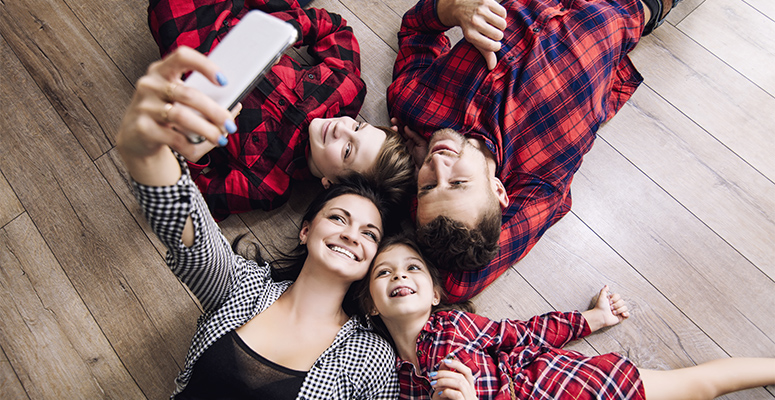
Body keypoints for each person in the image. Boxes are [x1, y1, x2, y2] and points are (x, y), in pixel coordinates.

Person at [116, 48, 400, 398]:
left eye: (369, 233)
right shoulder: (242, 285)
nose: (350, 234)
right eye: (338, 217)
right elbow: (189, 234)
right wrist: (148, 150)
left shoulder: (370, 357)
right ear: (306, 229)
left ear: (374, 259)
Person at [387, 0, 682, 302]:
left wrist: (452, 9)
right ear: (499, 191)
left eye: (428, 186)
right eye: (457, 183)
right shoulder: (540, 181)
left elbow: (415, 30)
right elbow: (455, 285)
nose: (438, 164)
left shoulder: (413, 106)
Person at [357, 235, 775, 399]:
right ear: (372, 304)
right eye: (383, 272)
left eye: (412, 267)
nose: (399, 275)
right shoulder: (393, 380)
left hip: (554, 388)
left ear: (435, 294)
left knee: (698, 386)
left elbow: (525, 333)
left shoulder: (452, 325)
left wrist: (594, 318)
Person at [148, 0, 413, 221]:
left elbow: (189, 200)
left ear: (331, 185)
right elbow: (335, 28)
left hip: (182, 30)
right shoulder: (346, 89)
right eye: (358, 126)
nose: (342, 127)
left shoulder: (266, 185)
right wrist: (283, 32)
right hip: (244, 11)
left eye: (347, 150)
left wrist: (193, 152)